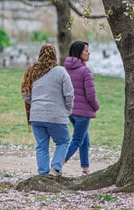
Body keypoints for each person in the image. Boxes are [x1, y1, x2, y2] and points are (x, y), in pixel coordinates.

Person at [21, 43, 74, 176]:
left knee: (41, 146)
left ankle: (43, 173)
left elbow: (25, 94)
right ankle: (56, 168)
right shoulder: (61, 71)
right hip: (56, 115)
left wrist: (35, 104)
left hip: (36, 116)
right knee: (63, 141)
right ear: (54, 55)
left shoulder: (32, 71)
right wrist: (67, 109)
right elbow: (69, 94)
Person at [63, 41, 100, 175]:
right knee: (77, 140)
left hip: (70, 111)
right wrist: (96, 106)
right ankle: (58, 163)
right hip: (83, 112)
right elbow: (91, 95)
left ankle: (85, 168)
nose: (88, 53)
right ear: (79, 53)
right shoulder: (85, 71)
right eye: (86, 50)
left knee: (85, 140)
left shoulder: (64, 69)